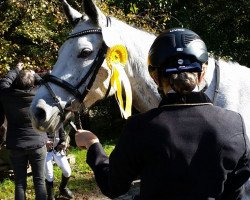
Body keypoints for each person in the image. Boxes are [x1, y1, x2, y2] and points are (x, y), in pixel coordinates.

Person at [74, 28, 250, 200]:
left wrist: (93, 145)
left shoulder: (138, 127)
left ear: (155, 77)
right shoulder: (234, 124)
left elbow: (113, 186)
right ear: (202, 73)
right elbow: (238, 192)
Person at [0, 62, 47, 200]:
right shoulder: (39, 93)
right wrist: (35, 74)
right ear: (32, 83)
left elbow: (4, 81)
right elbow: (46, 83)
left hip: (16, 145)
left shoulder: (6, 95)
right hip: (38, 143)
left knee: (20, 183)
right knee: (39, 181)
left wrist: (16, 69)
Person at [45, 125, 73, 200]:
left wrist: (63, 142)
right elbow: (38, 136)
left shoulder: (58, 120)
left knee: (67, 172)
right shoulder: (42, 120)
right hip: (45, 151)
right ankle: (50, 196)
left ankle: (63, 189)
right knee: (49, 175)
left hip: (58, 150)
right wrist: (45, 142)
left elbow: (62, 134)